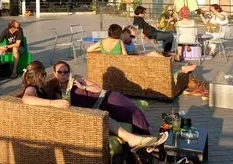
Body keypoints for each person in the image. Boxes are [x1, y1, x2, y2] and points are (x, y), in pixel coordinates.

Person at [21, 61, 168, 150]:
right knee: (108, 117)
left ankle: (145, 140)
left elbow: (99, 89)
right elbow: (26, 99)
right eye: (59, 72)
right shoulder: (34, 88)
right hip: (75, 115)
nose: (63, 74)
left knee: (132, 113)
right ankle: (139, 141)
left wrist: (83, 87)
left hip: (106, 98)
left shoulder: (74, 79)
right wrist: (54, 103)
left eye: (66, 71)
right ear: (49, 74)